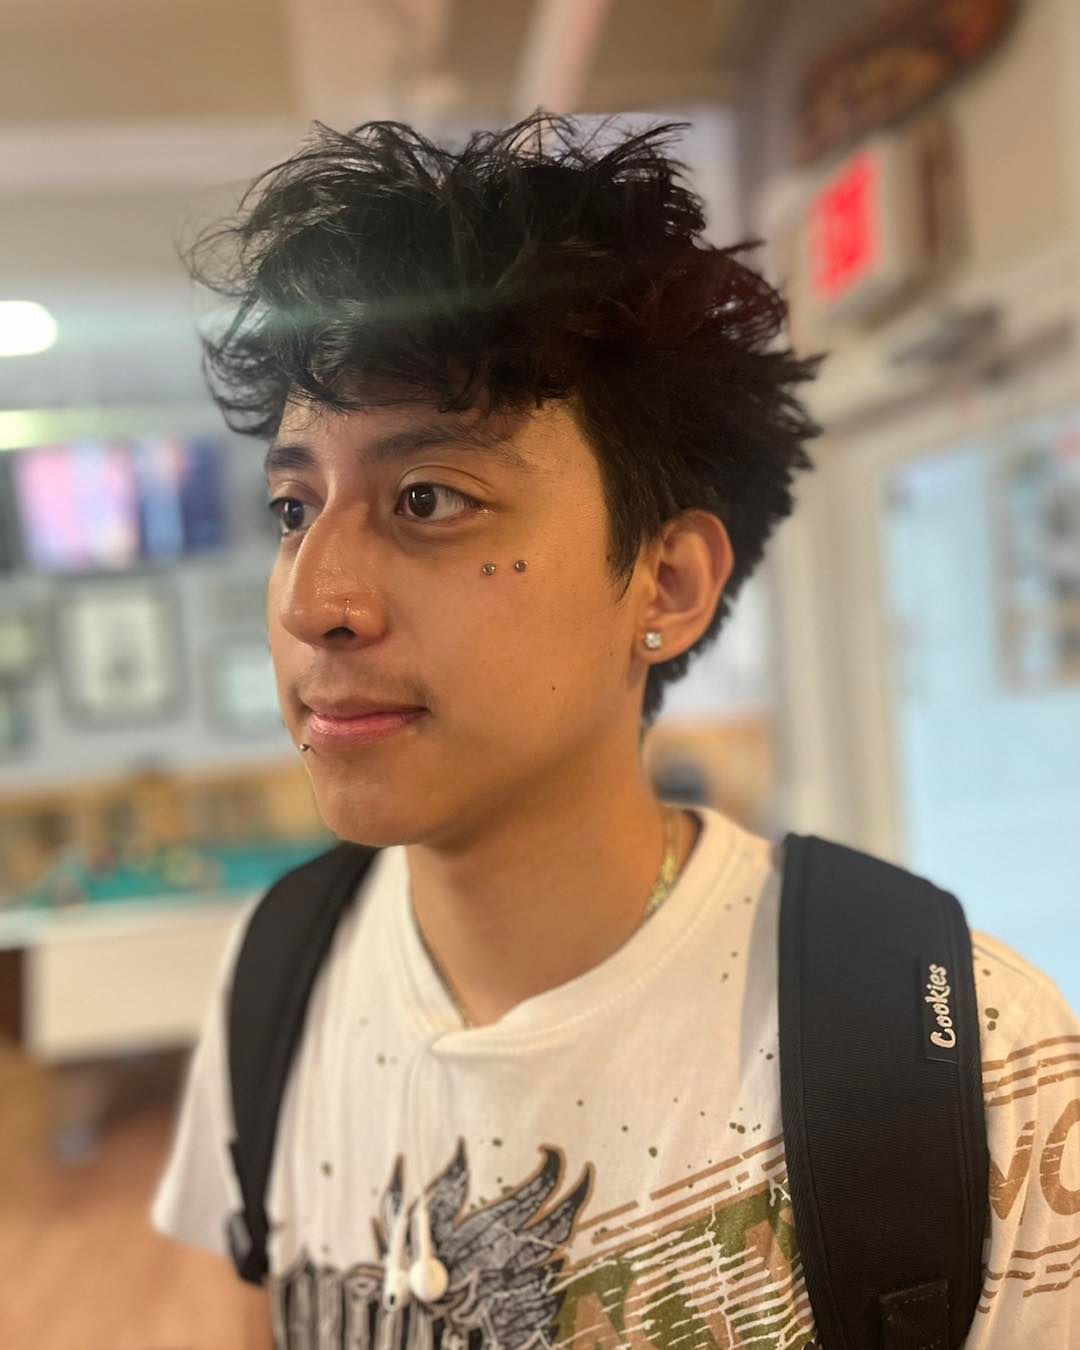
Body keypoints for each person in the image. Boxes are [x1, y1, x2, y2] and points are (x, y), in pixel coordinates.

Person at [151, 112, 1080, 1349]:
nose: (312, 602)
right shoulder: (279, 974)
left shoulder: (976, 1067)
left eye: (429, 498)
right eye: (292, 505)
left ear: (667, 584)